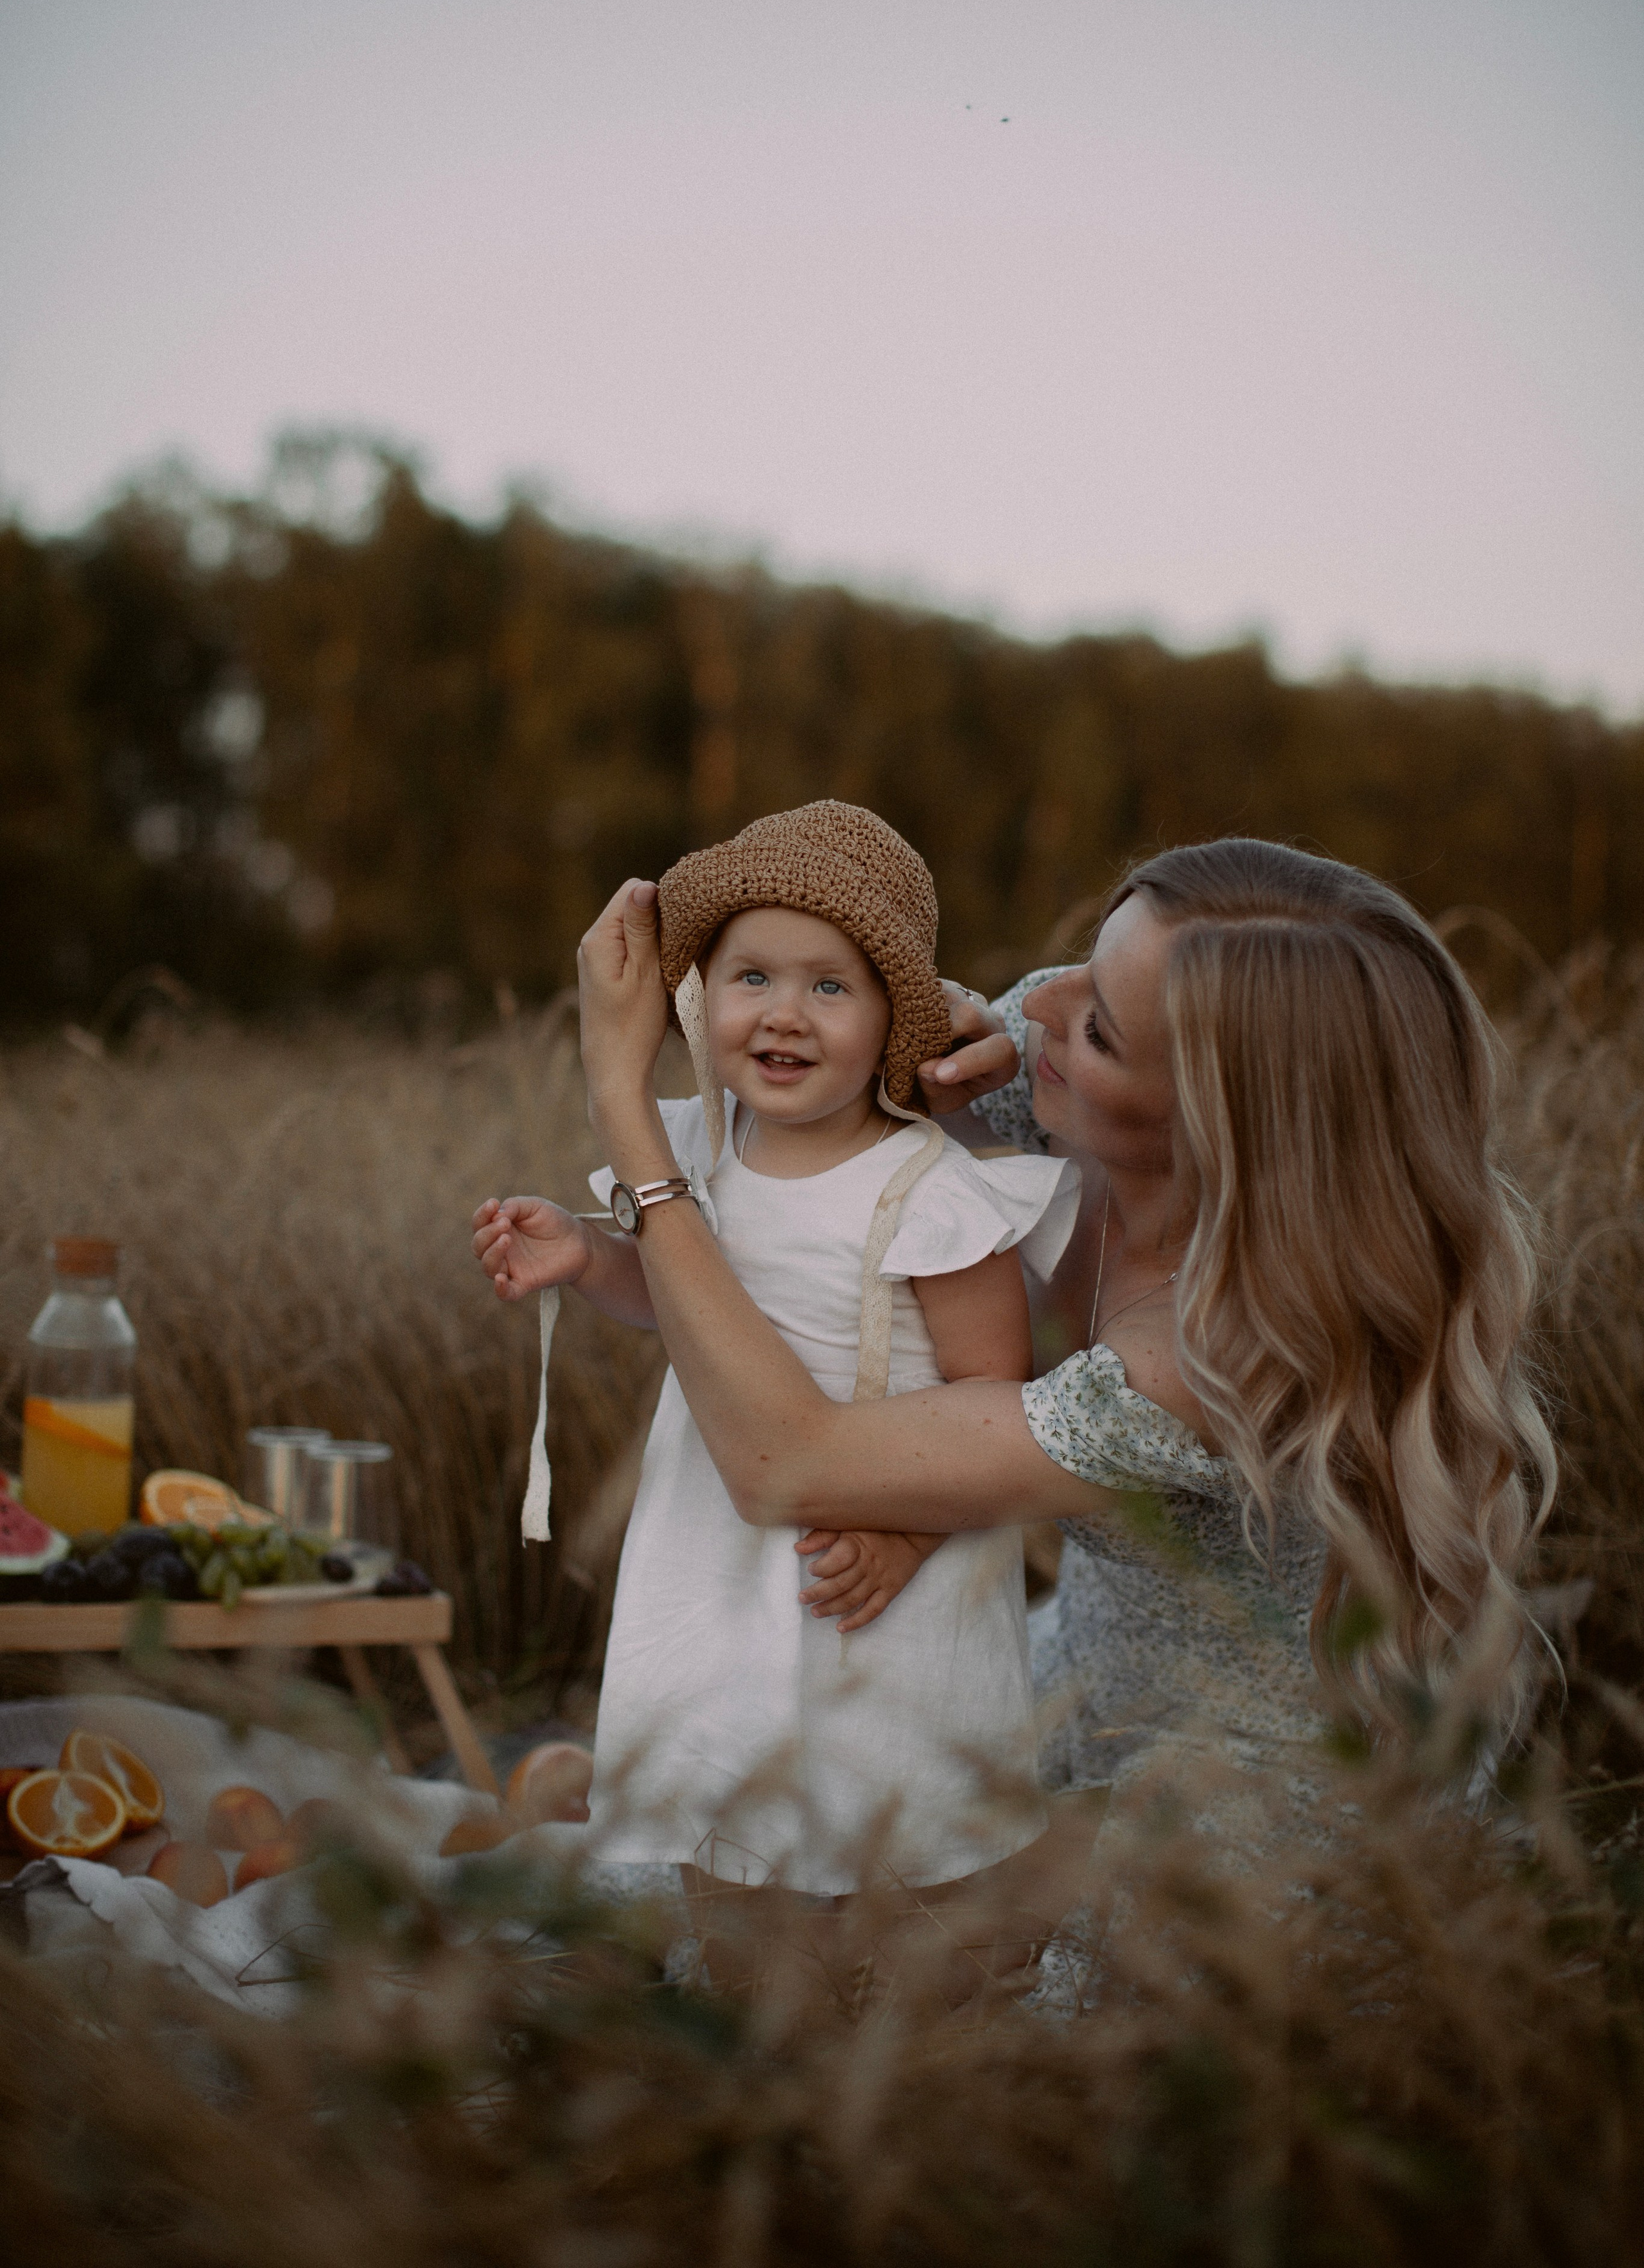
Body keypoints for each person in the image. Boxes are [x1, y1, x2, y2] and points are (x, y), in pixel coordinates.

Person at [569, 836, 1558, 1808]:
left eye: (1098, 1030)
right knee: (683, 1851)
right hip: (1060, 1681)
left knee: (813, 1933)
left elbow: (782, 1462)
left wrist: (626, 1106)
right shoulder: (1060, 1079)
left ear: (1219, 1126)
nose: (1037, 1003)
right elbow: (890, 1033)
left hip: (1232, 1789)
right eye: (1085, 963)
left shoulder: (1203, 1359)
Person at [473, 802, 1079, 1965]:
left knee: (896, 1824)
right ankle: (758, 2029)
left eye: (830, 988)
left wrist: (901, 1538)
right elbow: (689, 1305)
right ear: (701, 999)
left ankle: (917, 2037)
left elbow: (998, 1394)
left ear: (896, 1013)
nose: (784, 1014)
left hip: (885, 1554)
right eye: (751, 976)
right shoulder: (700, 1151)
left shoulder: (929, 1187)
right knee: (732, 1805)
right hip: (721, 1547)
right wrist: (589, 1257)